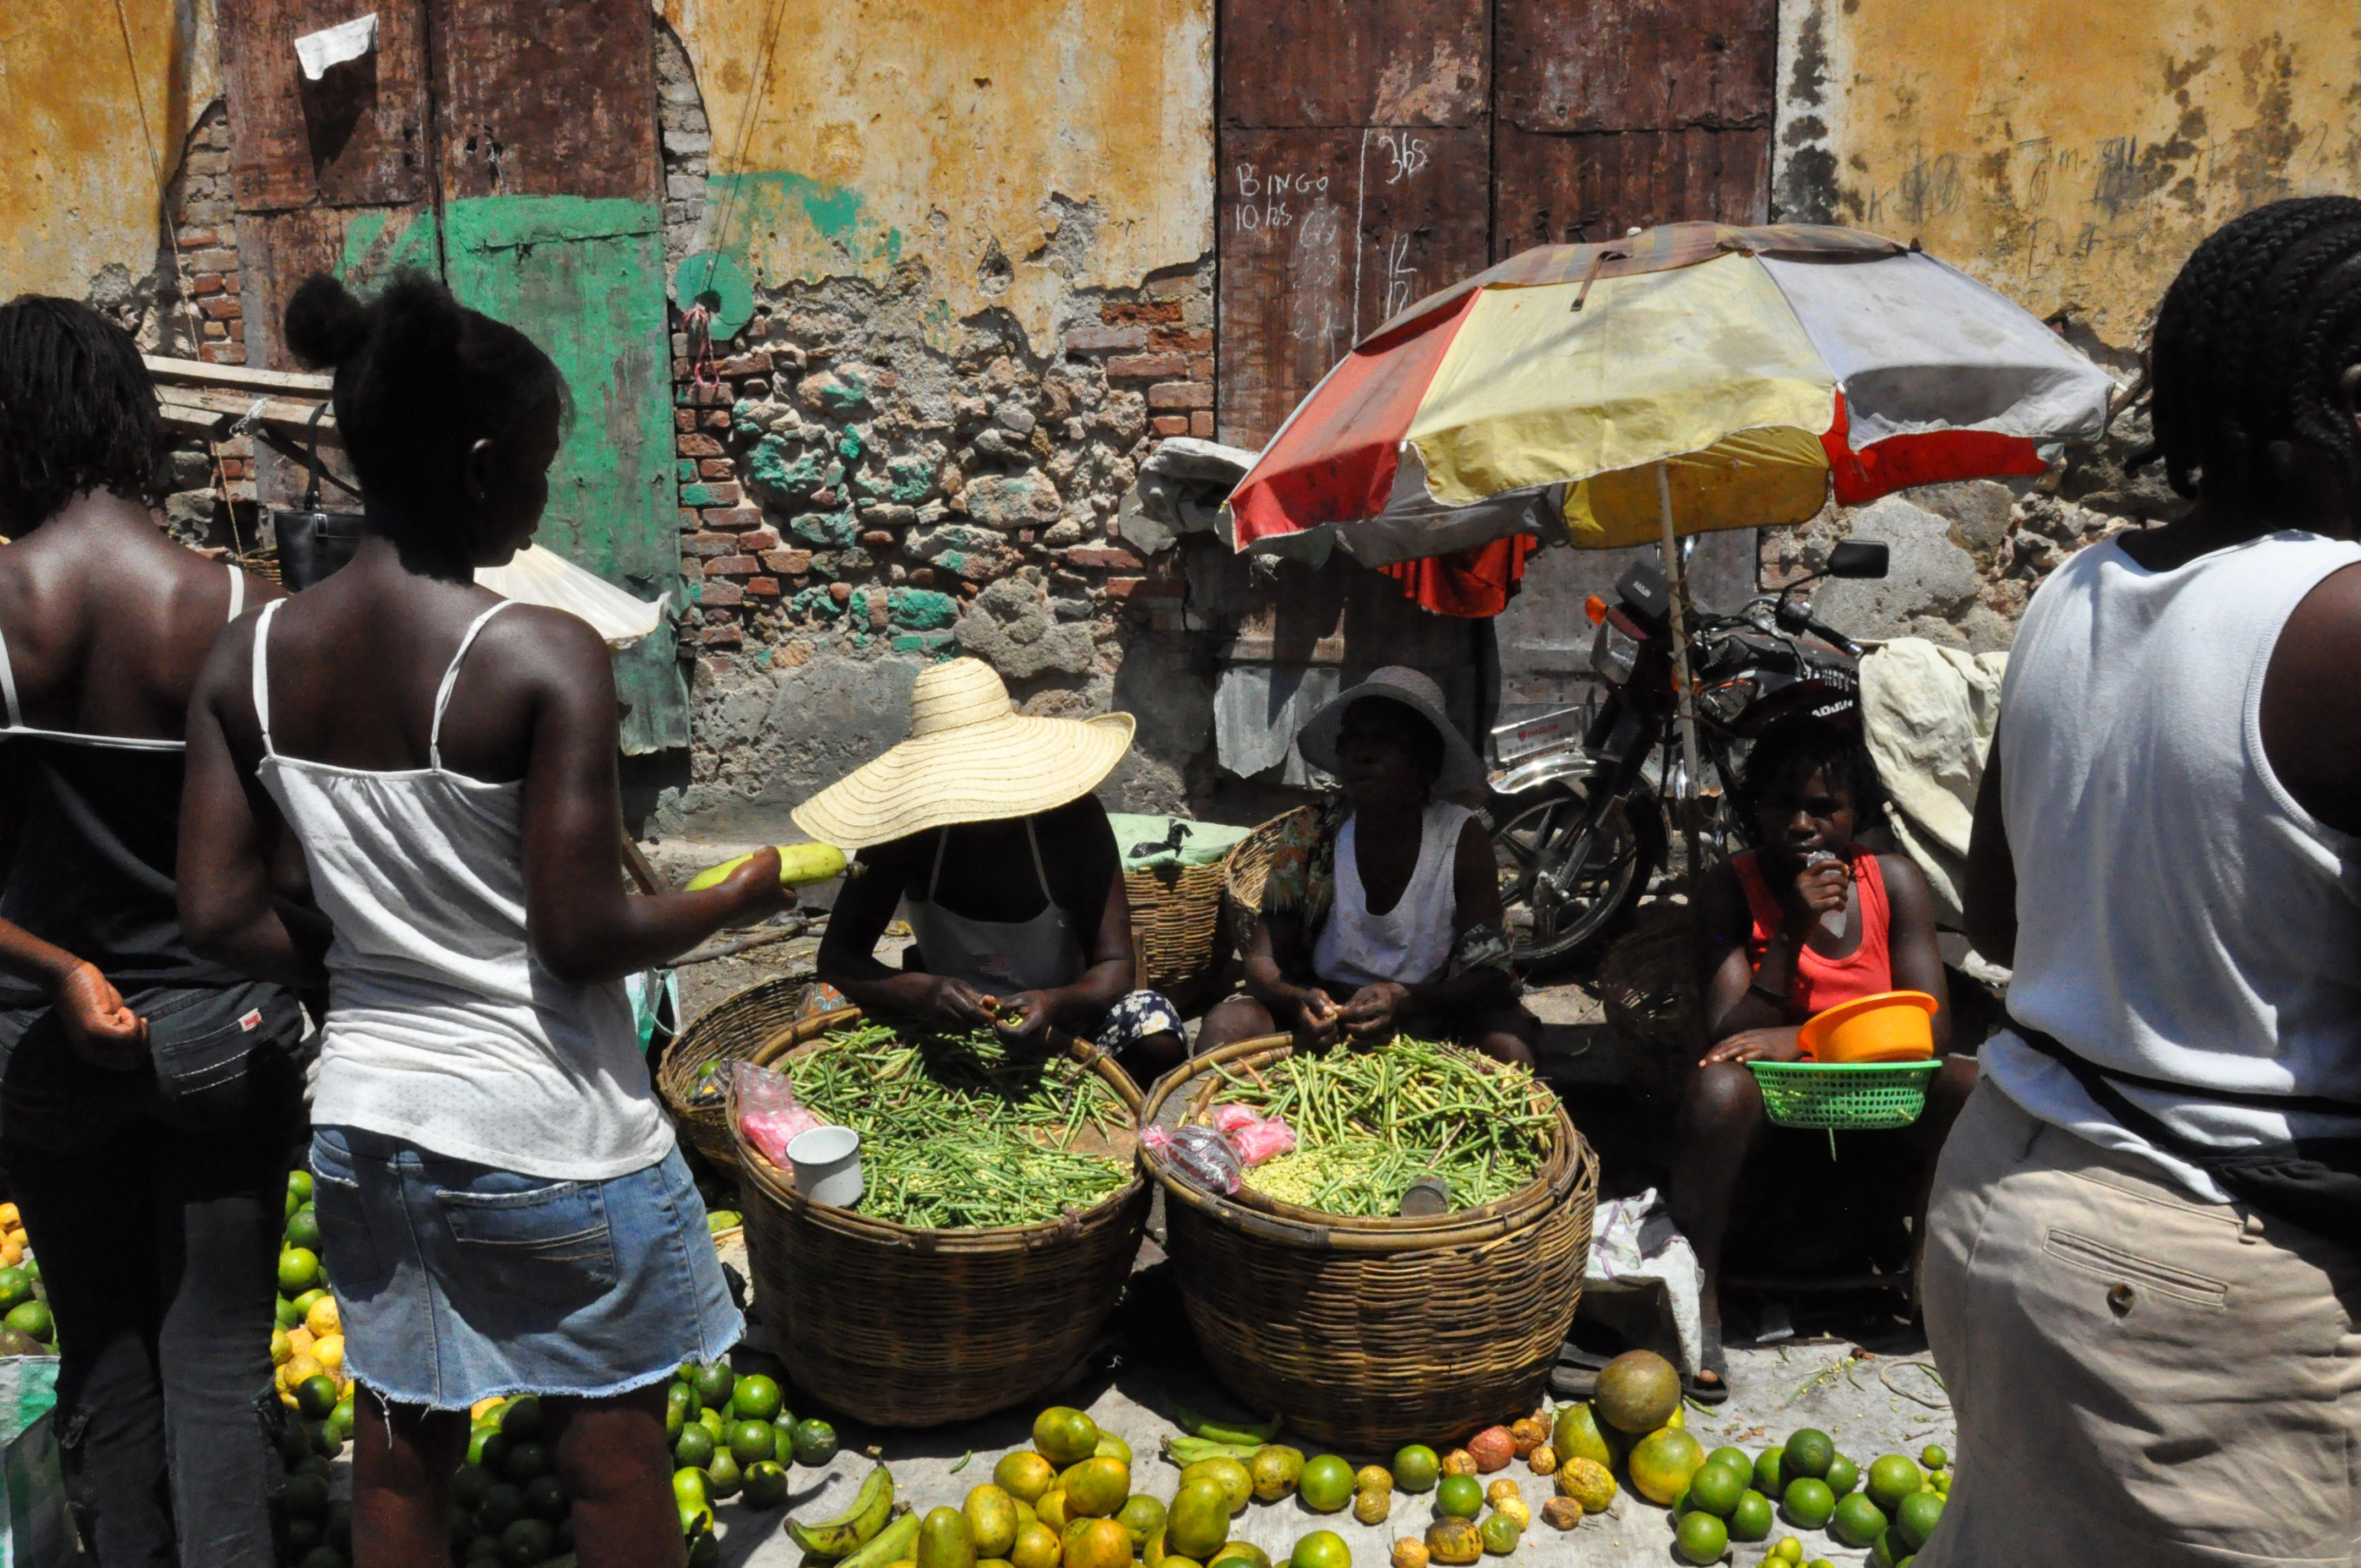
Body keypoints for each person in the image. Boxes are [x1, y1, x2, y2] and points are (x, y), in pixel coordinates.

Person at [178, 271, 788, 1568]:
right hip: (548, 1129)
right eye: (540, 465)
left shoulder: (252, 658)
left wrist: (355, 976)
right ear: (474, 465)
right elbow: (577, 932)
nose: (547, 494)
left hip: (366, 1122)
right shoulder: (536, 653)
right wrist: (730, 895)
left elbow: (216, 906)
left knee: (401, 1449)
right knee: (613, 1450)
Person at [1932, 197, 2361, 1566]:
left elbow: (1997, 916)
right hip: (2196, 1273)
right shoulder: (2339, 619)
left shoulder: (2079, 586)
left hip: (2004, 1189)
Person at [0, 295, 301, 1566]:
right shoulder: (233, 605)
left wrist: (65, 969)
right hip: (218, 1024)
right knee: (219, 1353)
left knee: (101, 1343)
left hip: (41, 1040)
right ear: (129, 416)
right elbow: (290, 851)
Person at [1653, 717, 1960, 1402]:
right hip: (1772, 1095)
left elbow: (1929, 1027)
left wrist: (1805, 1036)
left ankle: (1932, 1283)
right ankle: (1700, 1296)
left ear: (1856, 815)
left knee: (1971, 1083)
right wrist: (1791, 930)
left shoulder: (1894, 881)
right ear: (1753, 809)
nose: (1800, 824)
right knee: (1716, 1090)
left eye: (1823, 808)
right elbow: (1729, 1032)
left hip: (1874, 1082)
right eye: (1780, 806)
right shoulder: (1731, 888)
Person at [803, 657, 1188, 1080]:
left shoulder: (1072, 822)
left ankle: (1089, 1101)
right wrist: (921, 993)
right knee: (819, 1003)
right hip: (941, 1032)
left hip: (1063, 1025)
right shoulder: (903, 833)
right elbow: (838, 958)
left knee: (1155, 1030)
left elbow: (1116, 968)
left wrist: (1053, 1004)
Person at [1198, 667, 1539, 1065]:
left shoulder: (1459, 838)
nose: (1364, 753)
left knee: (1510, 1050)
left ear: (1426, 766)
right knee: (1226, 1029)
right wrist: (1301, 1001)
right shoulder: (1310, 832)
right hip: (1326, 1012)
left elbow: (1493, 976)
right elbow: (1261, 963)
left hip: (1429, 1012)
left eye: (1387, 741)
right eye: (1354, 739)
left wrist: (1406, 1001)